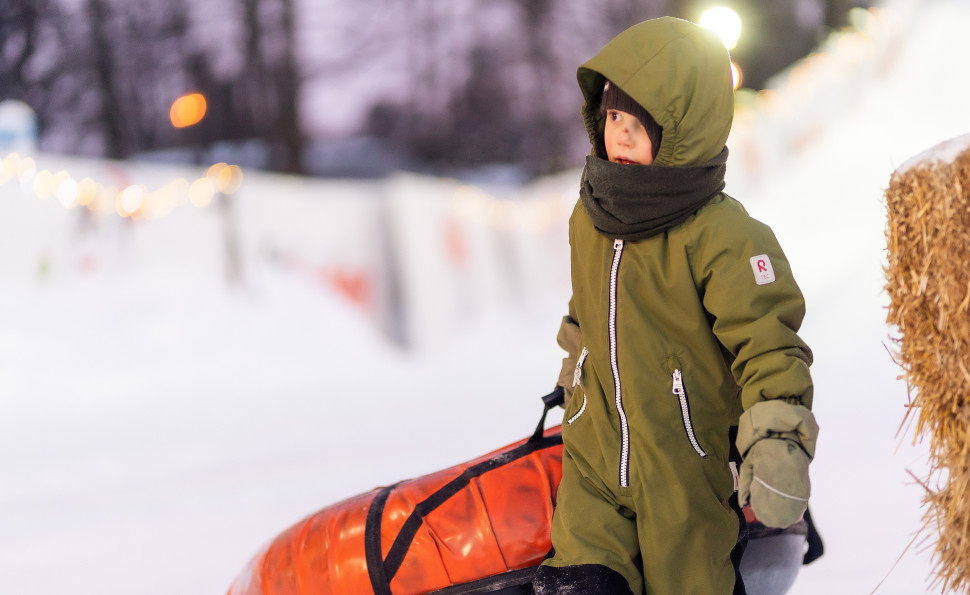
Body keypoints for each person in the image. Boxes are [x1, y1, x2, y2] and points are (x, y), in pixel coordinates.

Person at [533, 17, 819, 595]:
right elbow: (582, 321)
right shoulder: (589, 218)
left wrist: (776, 439)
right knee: (579, 581)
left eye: (640, 124)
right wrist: (573, 385)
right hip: (595, 460)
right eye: (613, 118)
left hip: (685, 469)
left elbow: (769, 345)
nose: (622, 136)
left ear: (684, 131)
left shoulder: (723, 236)